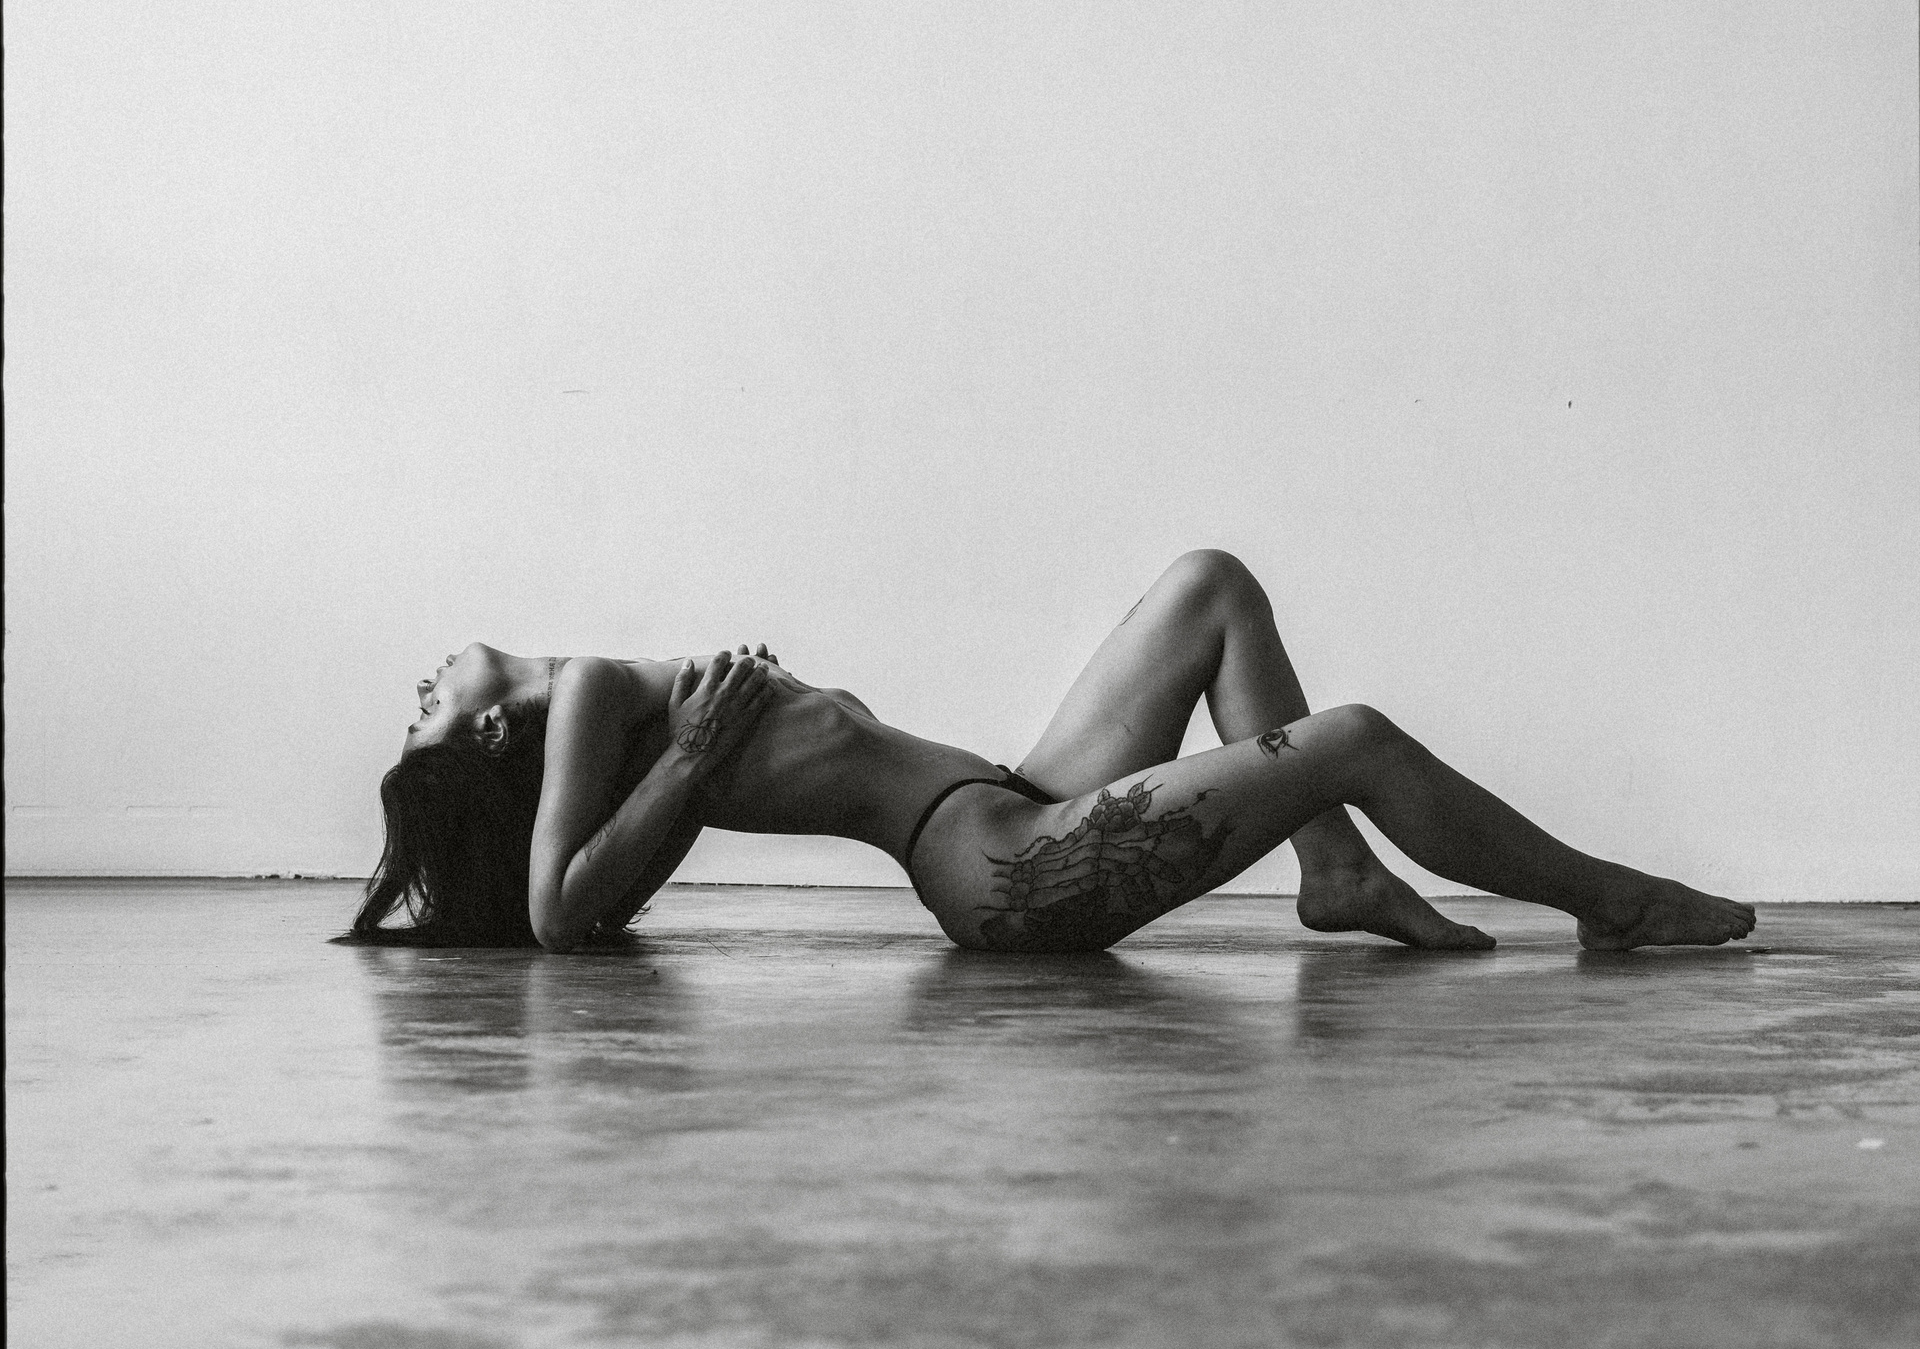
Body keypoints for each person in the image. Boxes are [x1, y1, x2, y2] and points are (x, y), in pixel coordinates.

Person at [350, 551, 1755, 960]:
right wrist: (692, 760)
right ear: (489, 730)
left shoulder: (594, 706)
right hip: (996, 867)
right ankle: (1611, 901)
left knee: (1210, 586)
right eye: (422, 712)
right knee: (1354, 739)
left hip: (1015, 800)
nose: (420, 690)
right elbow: (558, 915)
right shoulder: (587, 694)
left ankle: (1336, 874)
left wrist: (690, 761)